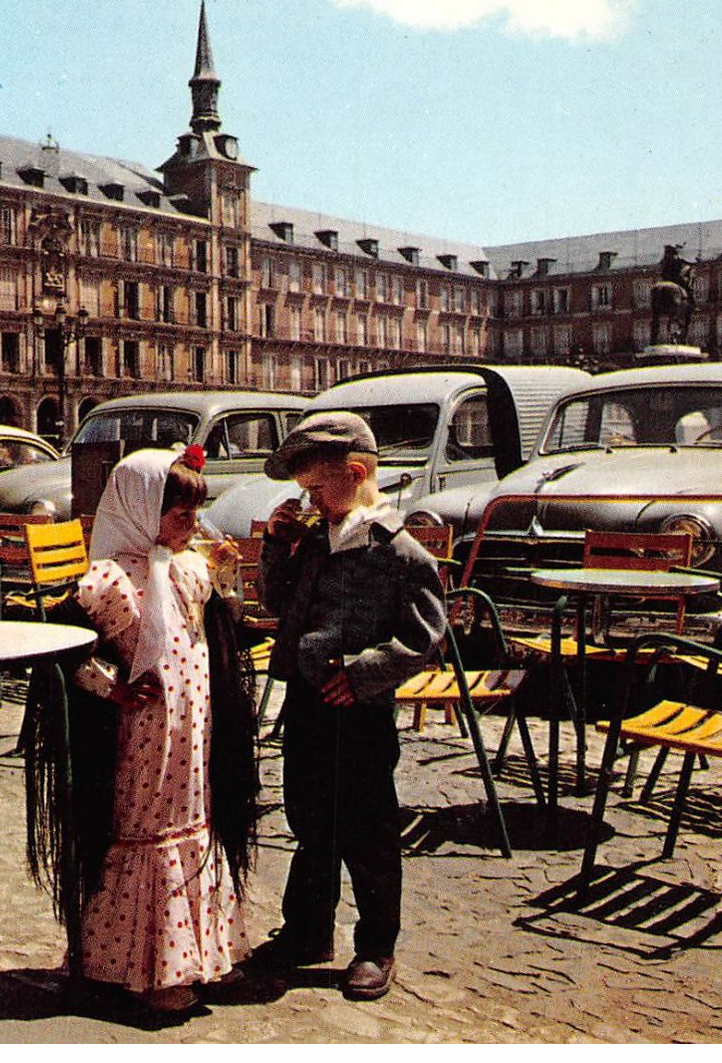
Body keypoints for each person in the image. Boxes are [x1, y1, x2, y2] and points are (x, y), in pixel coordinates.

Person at [25, 446, 257, 1017]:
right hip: (143, 741)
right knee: (145, 835)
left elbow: (221, 633)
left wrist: (228, 579)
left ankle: (199, 954)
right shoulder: (108, 580)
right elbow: (58, 651)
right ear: (142, 508)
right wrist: (112, 687)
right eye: (180, 515)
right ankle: (142, 970)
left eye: (195, 515)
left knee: (192, 824)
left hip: (191, 736)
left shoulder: (188, 568)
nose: (192, 526)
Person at [256, 411, 446, 1002]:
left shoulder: (400, 551)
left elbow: (425, 635)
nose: (307, 500)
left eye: (314, 488)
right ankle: (308, 931)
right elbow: (281, 601)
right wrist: (275, 546)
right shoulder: (316, 539)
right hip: (308, 703)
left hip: (360, 714)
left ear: (357, 472)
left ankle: (376, 945)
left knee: (367, 828)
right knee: (310, 819)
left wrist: (365, 673)